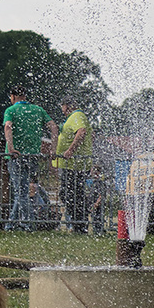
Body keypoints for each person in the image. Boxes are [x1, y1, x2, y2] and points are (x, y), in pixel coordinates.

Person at [2, 86, 58, 231]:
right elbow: (53, 127)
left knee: (20, 192)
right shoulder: (38, 110)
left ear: (13, 97)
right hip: (33, 156)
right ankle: (11, 224)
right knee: (23, 191)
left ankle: (27, 224)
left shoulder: (11, 110)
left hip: (16, 156)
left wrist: (11, 147)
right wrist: (53, 149)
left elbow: (8, 127)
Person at [53, 96, 92, 233]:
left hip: (75, 164)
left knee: (72, 195)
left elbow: (81, 132)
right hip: (72, 164)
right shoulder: (74, 117)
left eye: (62, 107)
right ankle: (78, 224)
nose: (62, 111)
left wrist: (70, 150)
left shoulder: (77, 115)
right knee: (71, 194)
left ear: (68, 106)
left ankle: (80, 225)